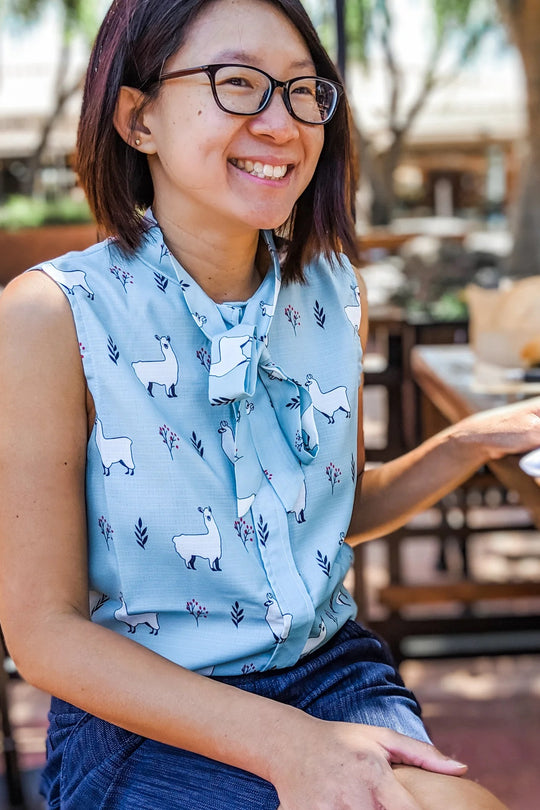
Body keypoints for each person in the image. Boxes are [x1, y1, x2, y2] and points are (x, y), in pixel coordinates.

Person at [0, 1, 537, 808]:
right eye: (239, 84)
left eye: (300, 90)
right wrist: (292, 748)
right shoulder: (50, 316)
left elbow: (330, 515)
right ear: (138, 117)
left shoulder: (330, 291)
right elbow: (43, 633)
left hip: (330, 669)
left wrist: (466, 442)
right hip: (149, 710)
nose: (281, 122)